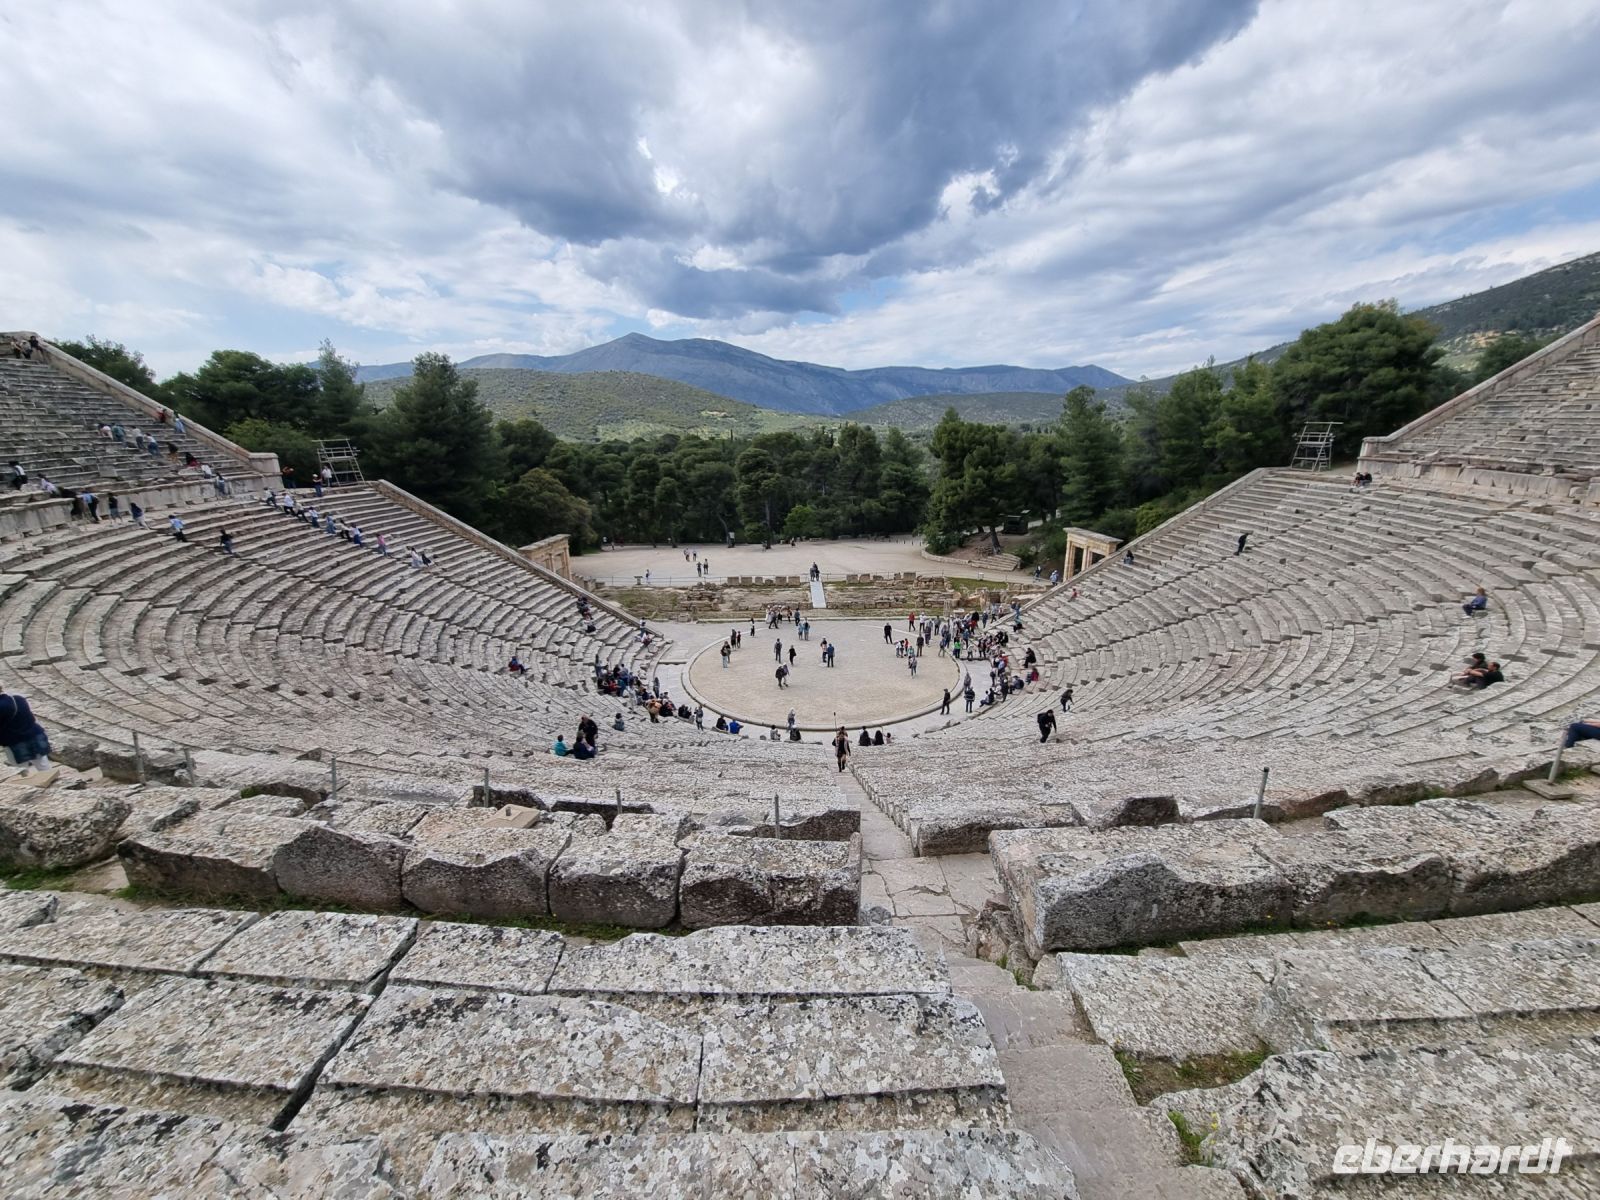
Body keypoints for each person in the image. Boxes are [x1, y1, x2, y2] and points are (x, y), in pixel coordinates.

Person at [0, 688, 51, 775]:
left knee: (21, 771)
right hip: (35, 735)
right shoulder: (18, 698)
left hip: (14, 742)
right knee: (44, 766)